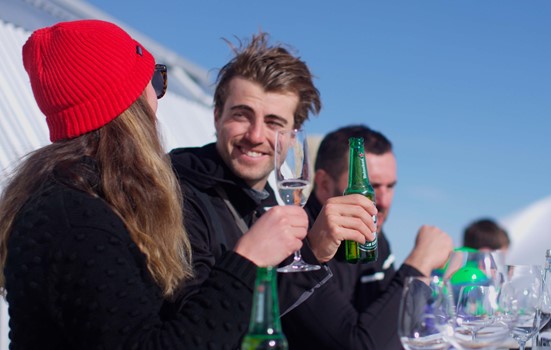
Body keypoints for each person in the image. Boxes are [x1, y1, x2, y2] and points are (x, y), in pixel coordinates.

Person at [0, 20, 304, 349]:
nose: (158, 99)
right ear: (129, 100)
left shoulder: (85, 198)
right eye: (155, 81)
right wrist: (249, 261)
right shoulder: (76, 215)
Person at [167, 33, 376, 314]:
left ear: (293, 137)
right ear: (217, 116)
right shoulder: (174, 192)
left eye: (274, 122)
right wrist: (312, 250)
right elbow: (198, 325)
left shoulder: (268, 205)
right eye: (242, 115)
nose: (255, 135)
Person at [282, 124, 455, 349]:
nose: (382, 201)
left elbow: (400, 332)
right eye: (371, 187)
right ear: (324, 184)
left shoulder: (376, 240)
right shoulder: (297, 243)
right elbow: (360, 345)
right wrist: (419, 264)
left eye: (390, 187)